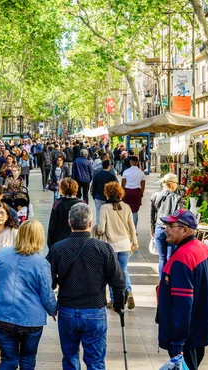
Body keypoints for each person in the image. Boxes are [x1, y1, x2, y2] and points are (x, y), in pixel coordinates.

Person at [47, 203, 126, 369]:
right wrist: (119, 304)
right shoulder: (103, 248)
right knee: (95, 361)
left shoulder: (57, 249)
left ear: (69, 223)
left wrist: (50, 304)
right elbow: (118, 280)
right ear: (90, 224)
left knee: (69, 358)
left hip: (67, 310)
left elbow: (47, 279)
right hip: (94, 310)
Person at [0, 220, 57, 370]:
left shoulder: (2, 255)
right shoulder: (41, 263)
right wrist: (53, 309)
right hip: (31, 319)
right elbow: (46, 293)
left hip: (2, 316)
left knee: (8, 360)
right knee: (28, 360)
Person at [157, 209, 208, 370]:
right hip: (200, 330)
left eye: (171, 226)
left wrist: (178, 344)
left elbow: (182, 306)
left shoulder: (182, 259)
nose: (166, 229)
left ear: (184, 230)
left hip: (187, 337)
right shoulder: (204, 249)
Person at [96, 182, 137, 310]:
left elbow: (101, 229)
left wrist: (96, 229)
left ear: (107, 193)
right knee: (123, 269)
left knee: (112, 273)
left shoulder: (104, 208)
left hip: (111, 246)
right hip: (125, 244)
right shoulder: (126, 207)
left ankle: (114, 300)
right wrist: (134, 241)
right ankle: (128, 291)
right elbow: (132, 227)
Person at [151, 173, 183, 277]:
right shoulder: (177, 197)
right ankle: (169, 279)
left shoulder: (155, 195)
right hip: (172, 229)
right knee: (171, 256)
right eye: (176, 182)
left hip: (159, 228)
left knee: (162, 257)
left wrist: (152, 230)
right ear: (172, 184)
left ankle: (162, 280)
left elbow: (152, 215)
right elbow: (179, 215)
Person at [47, 178, 83, 249]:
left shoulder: (58, 204)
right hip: (78, 242)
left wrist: (50, 244)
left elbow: (52, 225)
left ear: (62, 189)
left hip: (60, 241)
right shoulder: (81, 204)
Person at [121, 156, 146, 229]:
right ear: (137, 162)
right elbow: (143, 186)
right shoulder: (141, 173)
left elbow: (123, 184)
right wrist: (141, 194)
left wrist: (122, 194)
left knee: (126, 210)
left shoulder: (126, 172)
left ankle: (126, 227)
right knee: (135, 211)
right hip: (136, 192)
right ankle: (134, 228)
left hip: (127, 191)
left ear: (130, 162)